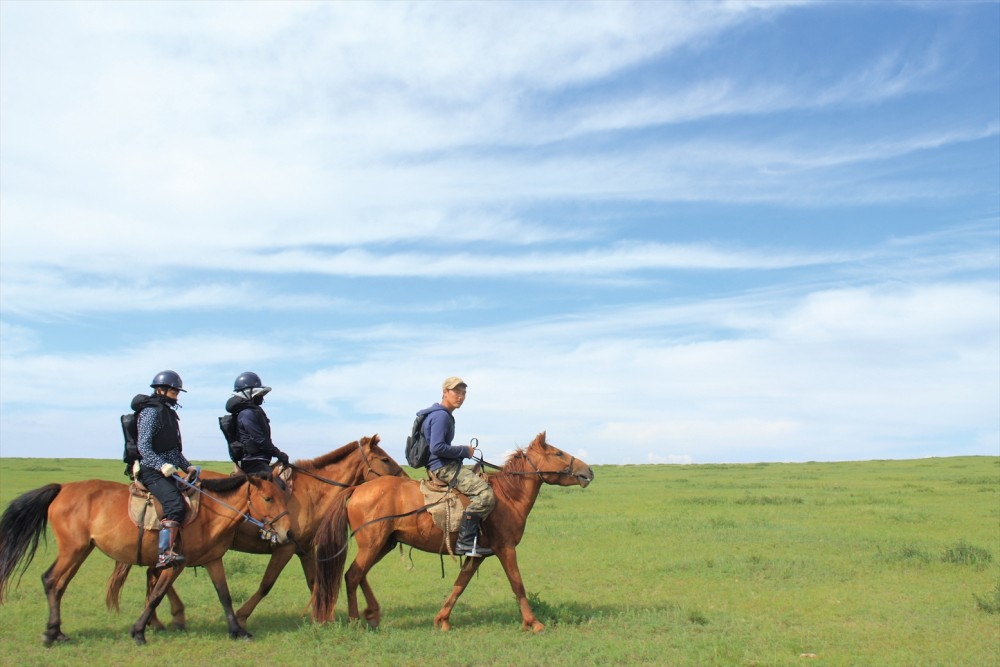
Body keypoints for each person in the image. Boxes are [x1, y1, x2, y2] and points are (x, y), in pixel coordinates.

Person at [418, 376, 496, 557]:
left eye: (463, 393)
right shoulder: (441, 416)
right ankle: (465, 543)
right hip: (443, 467)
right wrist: (464, 451)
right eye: (456, 392)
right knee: (486, 495)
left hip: (443, 464)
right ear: (445, 392)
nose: (460, 396)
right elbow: (436, 447)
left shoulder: (441, 414)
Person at [135, 370, 197, 569]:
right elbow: (143, 447)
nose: (176, 394)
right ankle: (164, 554)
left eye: (177, 391)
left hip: (166, 469)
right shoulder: (151, 412)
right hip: (151, 470)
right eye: (173, 390)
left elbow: (172, 450)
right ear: (161, 389)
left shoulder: (168, 413)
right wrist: (161, 465)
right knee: (174, 505)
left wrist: (187, 466)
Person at [225, 371, 290, 478]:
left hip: (259, 461)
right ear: (248, 393)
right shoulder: (247, 413)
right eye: (259, 394)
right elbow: (260, 440)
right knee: (275, 489)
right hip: (253, 463)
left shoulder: (251, 411)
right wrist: (278, 454)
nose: (261, 397)